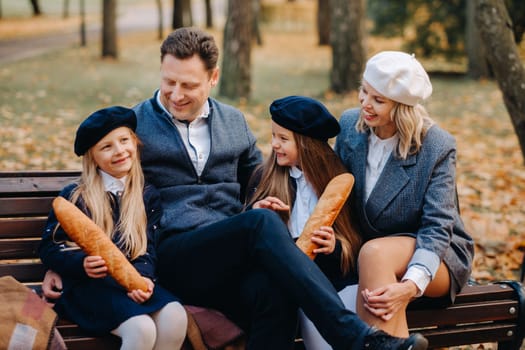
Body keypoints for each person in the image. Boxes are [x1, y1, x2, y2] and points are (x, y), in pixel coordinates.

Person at [43, 28, 429, 350]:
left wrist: (268, 202)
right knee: (258, 225)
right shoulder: (136, 126)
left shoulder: (233, 122)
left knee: (273, 292)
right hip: (176, 253)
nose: (176, 94)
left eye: (189, 85)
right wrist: (61, 263)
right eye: (168, 82)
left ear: (213, 78)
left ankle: (356, 337)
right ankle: (356, 338)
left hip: (231, 254)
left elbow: (256, 183)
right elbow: (95, 189)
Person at [334, 51, 475, 337]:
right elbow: (337, 194)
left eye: (378, 100)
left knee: (374, 254)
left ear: (402, 107)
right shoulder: (350, 126)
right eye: (364, 91)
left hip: (436, 252)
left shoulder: (436, 146)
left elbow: (437, 228)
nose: (365, 103)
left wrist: (409, 287)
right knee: (371, 256)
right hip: (368, 252)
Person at [39, 106, 188, 350]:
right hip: (87, 289)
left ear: (135, 142)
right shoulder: (75, 197)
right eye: (106, 147)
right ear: (92, 157)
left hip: (128, 283)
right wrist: (81, 264)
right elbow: (49, 248)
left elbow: (148, 247)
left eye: (123, 140)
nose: (119, 151)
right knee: (141, 329)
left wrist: (143, 278)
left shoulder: (146, 194)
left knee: (175, 316)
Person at [245, 95, 361, 349]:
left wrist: (334, 247)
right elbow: (244, 242)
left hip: (334, 280)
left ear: (308, 144)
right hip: (283, 285)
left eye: (283, 139)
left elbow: (353, 244)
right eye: (273, 135)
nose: (274, 144)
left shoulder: (337, 181)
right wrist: (258, 214)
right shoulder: (264, 177)